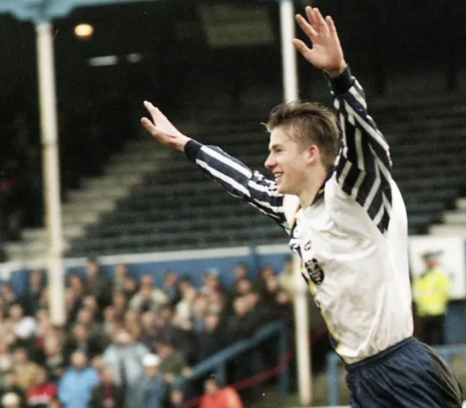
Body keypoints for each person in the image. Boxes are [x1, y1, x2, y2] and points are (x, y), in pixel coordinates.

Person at [140, 6, 463, 407]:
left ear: (311, 153)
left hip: (402, 370)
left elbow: (365, 141)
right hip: (363, 375)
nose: (268, 161)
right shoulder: (294, 208)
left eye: (278, 150)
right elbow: (244, 182)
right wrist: (187, 145)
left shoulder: (357, 194)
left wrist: (339, 77)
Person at [413, 251, 451, 346]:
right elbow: (417, 293)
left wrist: (439, 305)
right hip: (424, 312)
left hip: (437, 311)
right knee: (426, 338)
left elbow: (445, 292)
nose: (429, 263)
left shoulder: (439, 275)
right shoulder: (421, 277)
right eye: (427, 261)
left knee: (439, 337)